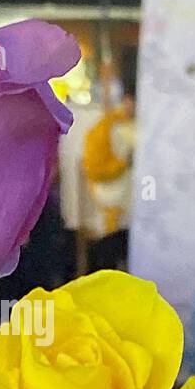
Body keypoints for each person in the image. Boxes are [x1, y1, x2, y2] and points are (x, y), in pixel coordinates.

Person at [81, 49, 138, 272]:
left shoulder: (148, 129)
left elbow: (150, 180)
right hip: (110, 214)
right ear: (126, 100)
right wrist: (124, 163)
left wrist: (149, 201)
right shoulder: (104, 129)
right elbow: (94, 168)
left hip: (137, 216)